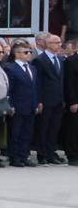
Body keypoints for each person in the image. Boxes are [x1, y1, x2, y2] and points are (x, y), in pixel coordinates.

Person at [32, 33, 66, 165]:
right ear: (48, 44)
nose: (59, 45)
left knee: (54, 128)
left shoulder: (60, 59)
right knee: (43, 127)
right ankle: (42, 154)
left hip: (58, 99)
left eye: (59, 42)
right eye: (56, 42)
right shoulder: (40, 60)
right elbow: (38, 82)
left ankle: (51, 152)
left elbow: (61, 80)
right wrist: (39, 101)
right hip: (45, 100)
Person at [5, 40, 39, 166]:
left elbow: (34, 88)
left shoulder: (32, 68)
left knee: (27, 132)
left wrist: (35, 104)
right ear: (17, 54)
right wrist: (11, 105)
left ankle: (23, 155)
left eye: (30, 51)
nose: (29, 54)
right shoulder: (10, 68)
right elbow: (9, 89)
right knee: (15, 132)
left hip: (30, 105)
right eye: (26, 52)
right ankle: (14, 157)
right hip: (17, 106)